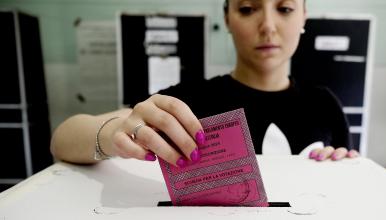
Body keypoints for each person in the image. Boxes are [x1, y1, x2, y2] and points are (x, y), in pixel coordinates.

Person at [50, 0, 358, 167]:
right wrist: (115, 134)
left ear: (304, 15)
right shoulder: (189, 100)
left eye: (285, 9)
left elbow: (346, 188)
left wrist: (341, 166)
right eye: (248, 9)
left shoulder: (324, 103)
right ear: (227, 19)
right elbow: (63, 139)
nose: (268, 26)